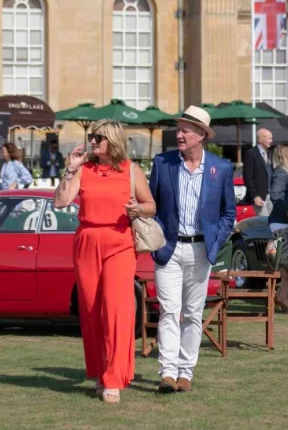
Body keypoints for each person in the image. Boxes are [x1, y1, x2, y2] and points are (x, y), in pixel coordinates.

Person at [55, 120, 156, 403]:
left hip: (120, 242)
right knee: (90, 310)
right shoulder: (84, 171)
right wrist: (70, 169)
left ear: (112, 140)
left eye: (97, 137)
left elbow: (151, 205)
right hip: (87, 241)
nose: (92, 141)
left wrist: (138, 208)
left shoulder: (131, 171)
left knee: (115, 309)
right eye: (91, 136)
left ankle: (113, 378)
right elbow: (61, 202)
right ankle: (100, 373)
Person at [147, 106, 236, 393]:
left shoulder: (220, 168)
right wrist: (157, 236)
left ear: (201, 135)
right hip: (169, 249)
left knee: (194, 313)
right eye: (179, 128)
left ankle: (186, 372)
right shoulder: (163, 163)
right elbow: (152, 205)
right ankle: (167, 373)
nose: (180, 134)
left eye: (186, 130)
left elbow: (228, 213)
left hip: (201, 249)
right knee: (170, 311)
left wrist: (216, 241)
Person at [266, 143, 288, 314]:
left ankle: (282, 296)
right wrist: (287, 211)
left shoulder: (286, 171)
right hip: (282, 221)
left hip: (287, 221)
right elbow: (275, 195)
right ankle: (277, 293)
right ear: (286, 154)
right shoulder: (281, 172)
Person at [242, 126, 274, 219]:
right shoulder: (251, 153)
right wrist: (255, 196)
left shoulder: (269, 153)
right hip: (260, 197)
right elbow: (247, 177)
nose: (271, 141)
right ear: (260, 139)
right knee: (264, 222)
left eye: (271, 138)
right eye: (269, 138)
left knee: (273, 222)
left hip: (271, 195)